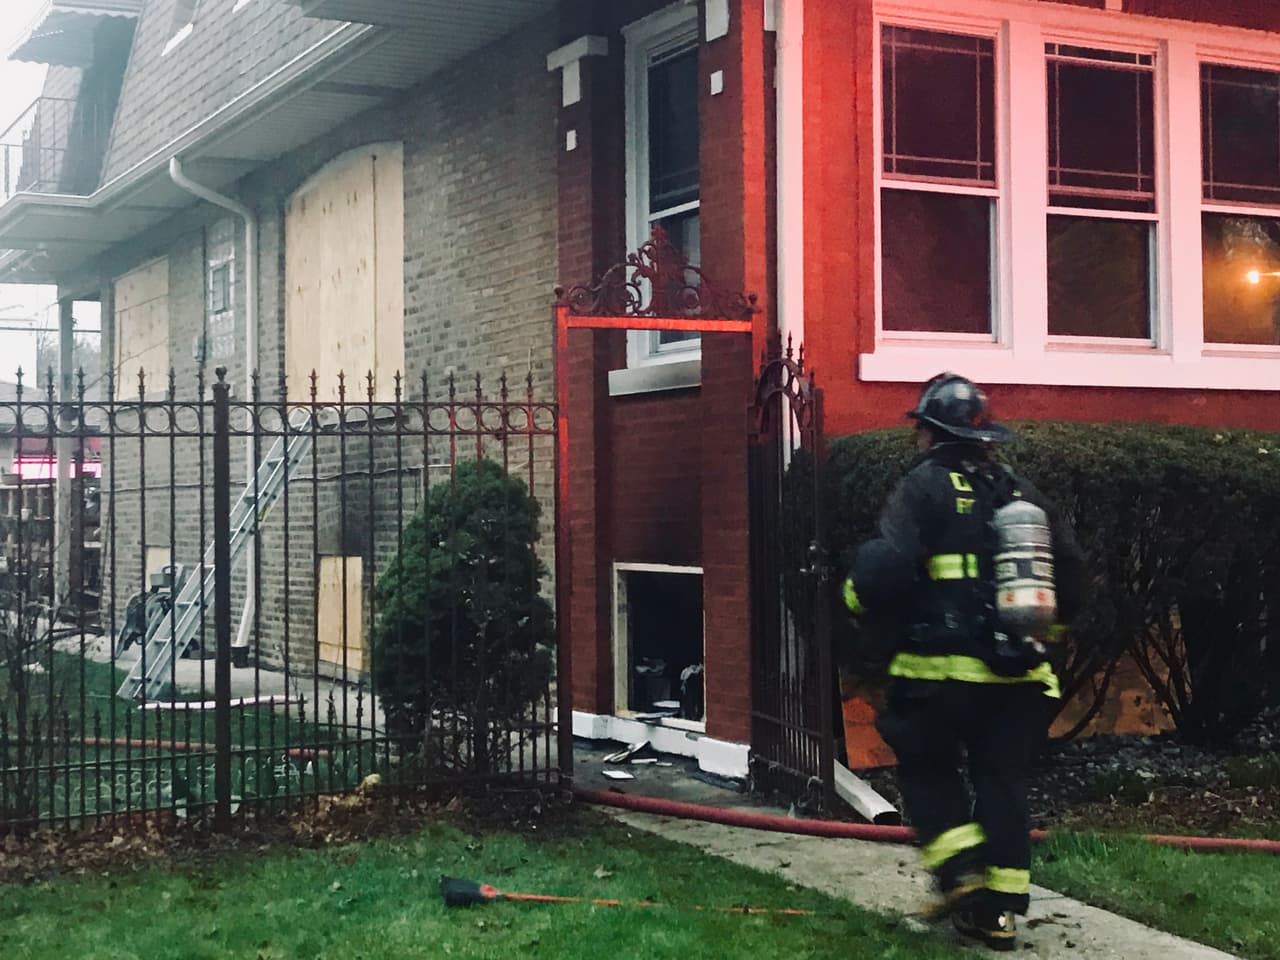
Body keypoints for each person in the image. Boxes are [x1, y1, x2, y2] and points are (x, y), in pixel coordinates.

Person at [842, 372, 1085, 952]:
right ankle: (1000, 910)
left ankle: (963, 881)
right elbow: (1070, 572)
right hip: (1022, 676)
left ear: (929, 433)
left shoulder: (923, 487)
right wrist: (1052, 634)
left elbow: (888, 565)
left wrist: (853, 600)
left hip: (939, 674)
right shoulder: (1019, 493)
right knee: (1000, 778)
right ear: (982, 435)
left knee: (927, 768)